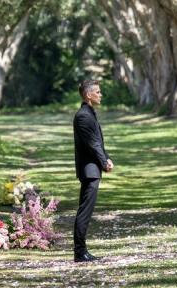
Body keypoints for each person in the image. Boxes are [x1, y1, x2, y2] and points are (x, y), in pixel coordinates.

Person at [72, 79, 113, 262]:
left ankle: (81, 251)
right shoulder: (83, 116)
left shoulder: (89, 113)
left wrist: (107, 157)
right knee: (85, 212)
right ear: (88, 95)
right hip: (89, 170)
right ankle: (80, 252)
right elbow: (92, 144)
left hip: (93, 169)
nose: (100, 94)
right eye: (97, 91)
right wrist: (104, 162)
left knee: (85, 210)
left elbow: (98, 141)